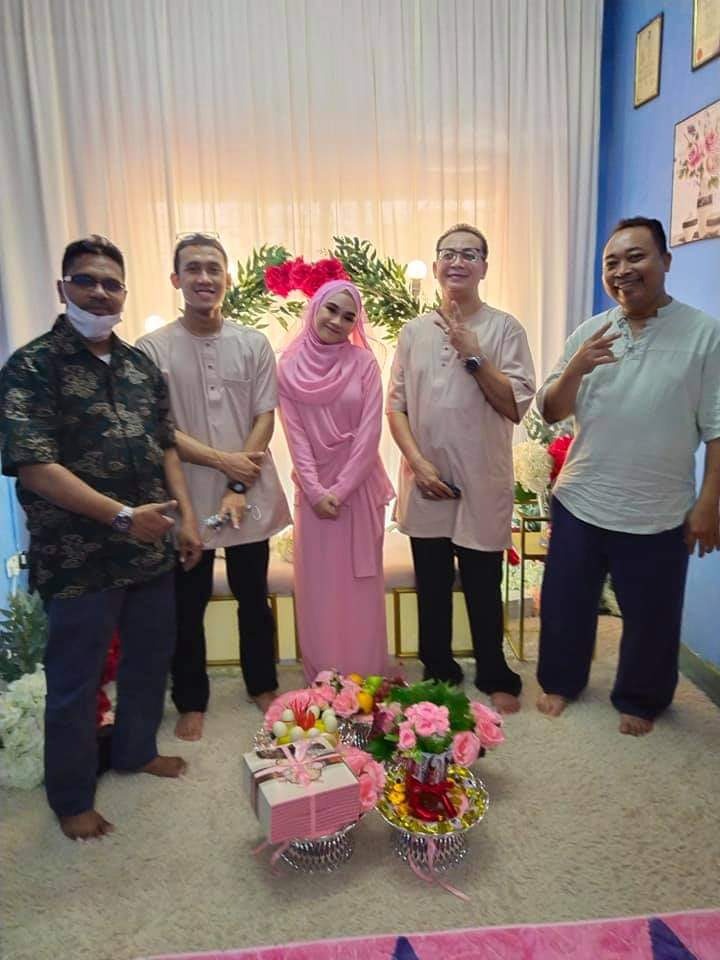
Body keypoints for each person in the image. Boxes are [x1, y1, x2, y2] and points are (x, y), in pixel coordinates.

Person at [0, 235, 201, 840]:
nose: (99, 292)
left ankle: (136, 750)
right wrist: (121, 516)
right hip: (78, 557)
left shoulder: (140, 366)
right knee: (75, 681)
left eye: (112, 284)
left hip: (149, 549)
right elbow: (35, 466)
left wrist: (186, 519)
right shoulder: (31, 367)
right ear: (63, 288)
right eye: (86, 280)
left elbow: (165, 446)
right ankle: (71, 797)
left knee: (148, 660)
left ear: (124, 294)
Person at [536, 217, 720, 736]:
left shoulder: (705, 335)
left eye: (635, 257)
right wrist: (577, 366)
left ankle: (642, 698)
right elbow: (550, 411)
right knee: (566, 603)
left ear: (666, 260)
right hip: (582, 496)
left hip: (658, 506)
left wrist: (709, 503)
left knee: (652, 613)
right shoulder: (590, 331)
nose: (622, 271)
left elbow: (717, 427)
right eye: (611, 263)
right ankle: (560, 681)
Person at [136, 233, 290, 738]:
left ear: (228, 278)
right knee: (188, 603)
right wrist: (225, 462)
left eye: (213, 268)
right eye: (193, 269)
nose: (204, 278)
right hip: (185, 500)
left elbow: (265, 415)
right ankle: (191, 699)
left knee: (253, 597)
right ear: (176, 279)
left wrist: (237, 485)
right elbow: (160, 429)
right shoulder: (151, 349)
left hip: (246, 496)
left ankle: (262, 684)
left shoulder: (253, 343)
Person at [387, 224, 536, 713]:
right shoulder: (413, 332)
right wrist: (417, 463)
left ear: (484, 268)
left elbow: (514, 405)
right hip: (425, 479)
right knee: (431, 586)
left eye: (469, 254)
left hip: (481, 480)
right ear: (435, 266)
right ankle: (438, 668)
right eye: (448, 253)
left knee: (482, 583)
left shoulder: (505, 329)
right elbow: (396, 406)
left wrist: (473, 352)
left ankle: (493, 668)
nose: (457, 261)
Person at [277, 279, 394, 682]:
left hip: (358, 491)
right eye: (331, 310)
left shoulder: (364, 364)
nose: (337, 321)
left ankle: (365, 675)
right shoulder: (287, 367)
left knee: (360, 589)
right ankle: (325, 679)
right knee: (319, 590)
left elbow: (370, 433)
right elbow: (294, 435)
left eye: (348, 316)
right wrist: (315, 492)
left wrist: (341, 490)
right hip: (314, 499)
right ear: (315, 308)